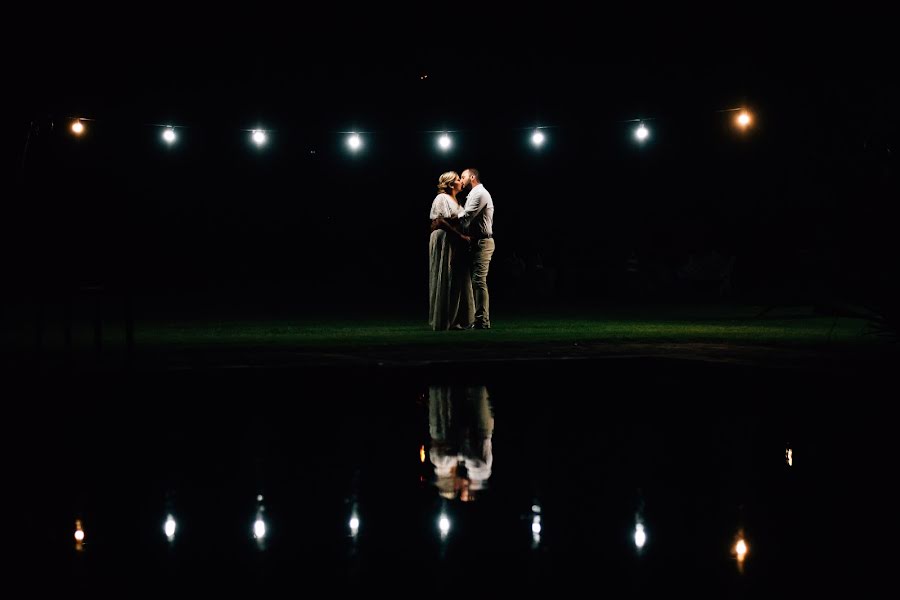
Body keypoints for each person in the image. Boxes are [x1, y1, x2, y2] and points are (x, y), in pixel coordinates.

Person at [428, 385, 494, 502]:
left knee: (471, 397)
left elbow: (462, 453)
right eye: (462, 492)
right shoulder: (477, 472)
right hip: (477, 430)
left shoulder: (474, 471)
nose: (460, 487)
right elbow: (465, 454)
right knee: (473, 397)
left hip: (475, 430)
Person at [429, 171, 475, 330]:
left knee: (457, 279)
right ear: (450, 184)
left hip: (455, 241)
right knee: (447, 276)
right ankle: (446, 319)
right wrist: (460, 236)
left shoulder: (458, 202)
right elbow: (440, 221)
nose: (460, 181)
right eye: (457, 179)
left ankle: (457, 318)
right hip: (446, 240)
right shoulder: (441, 198)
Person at [459, 168, 495, 329]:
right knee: (473, 281)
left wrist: (450, 215)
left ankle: (482, 321)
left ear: (472, 177)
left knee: (479, 281)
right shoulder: (473, 194)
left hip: (483, 242)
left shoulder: (479, 193)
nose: (460, 180)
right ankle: (475, 319)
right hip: (475, 242)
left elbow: (466, 219)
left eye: (463, 177)